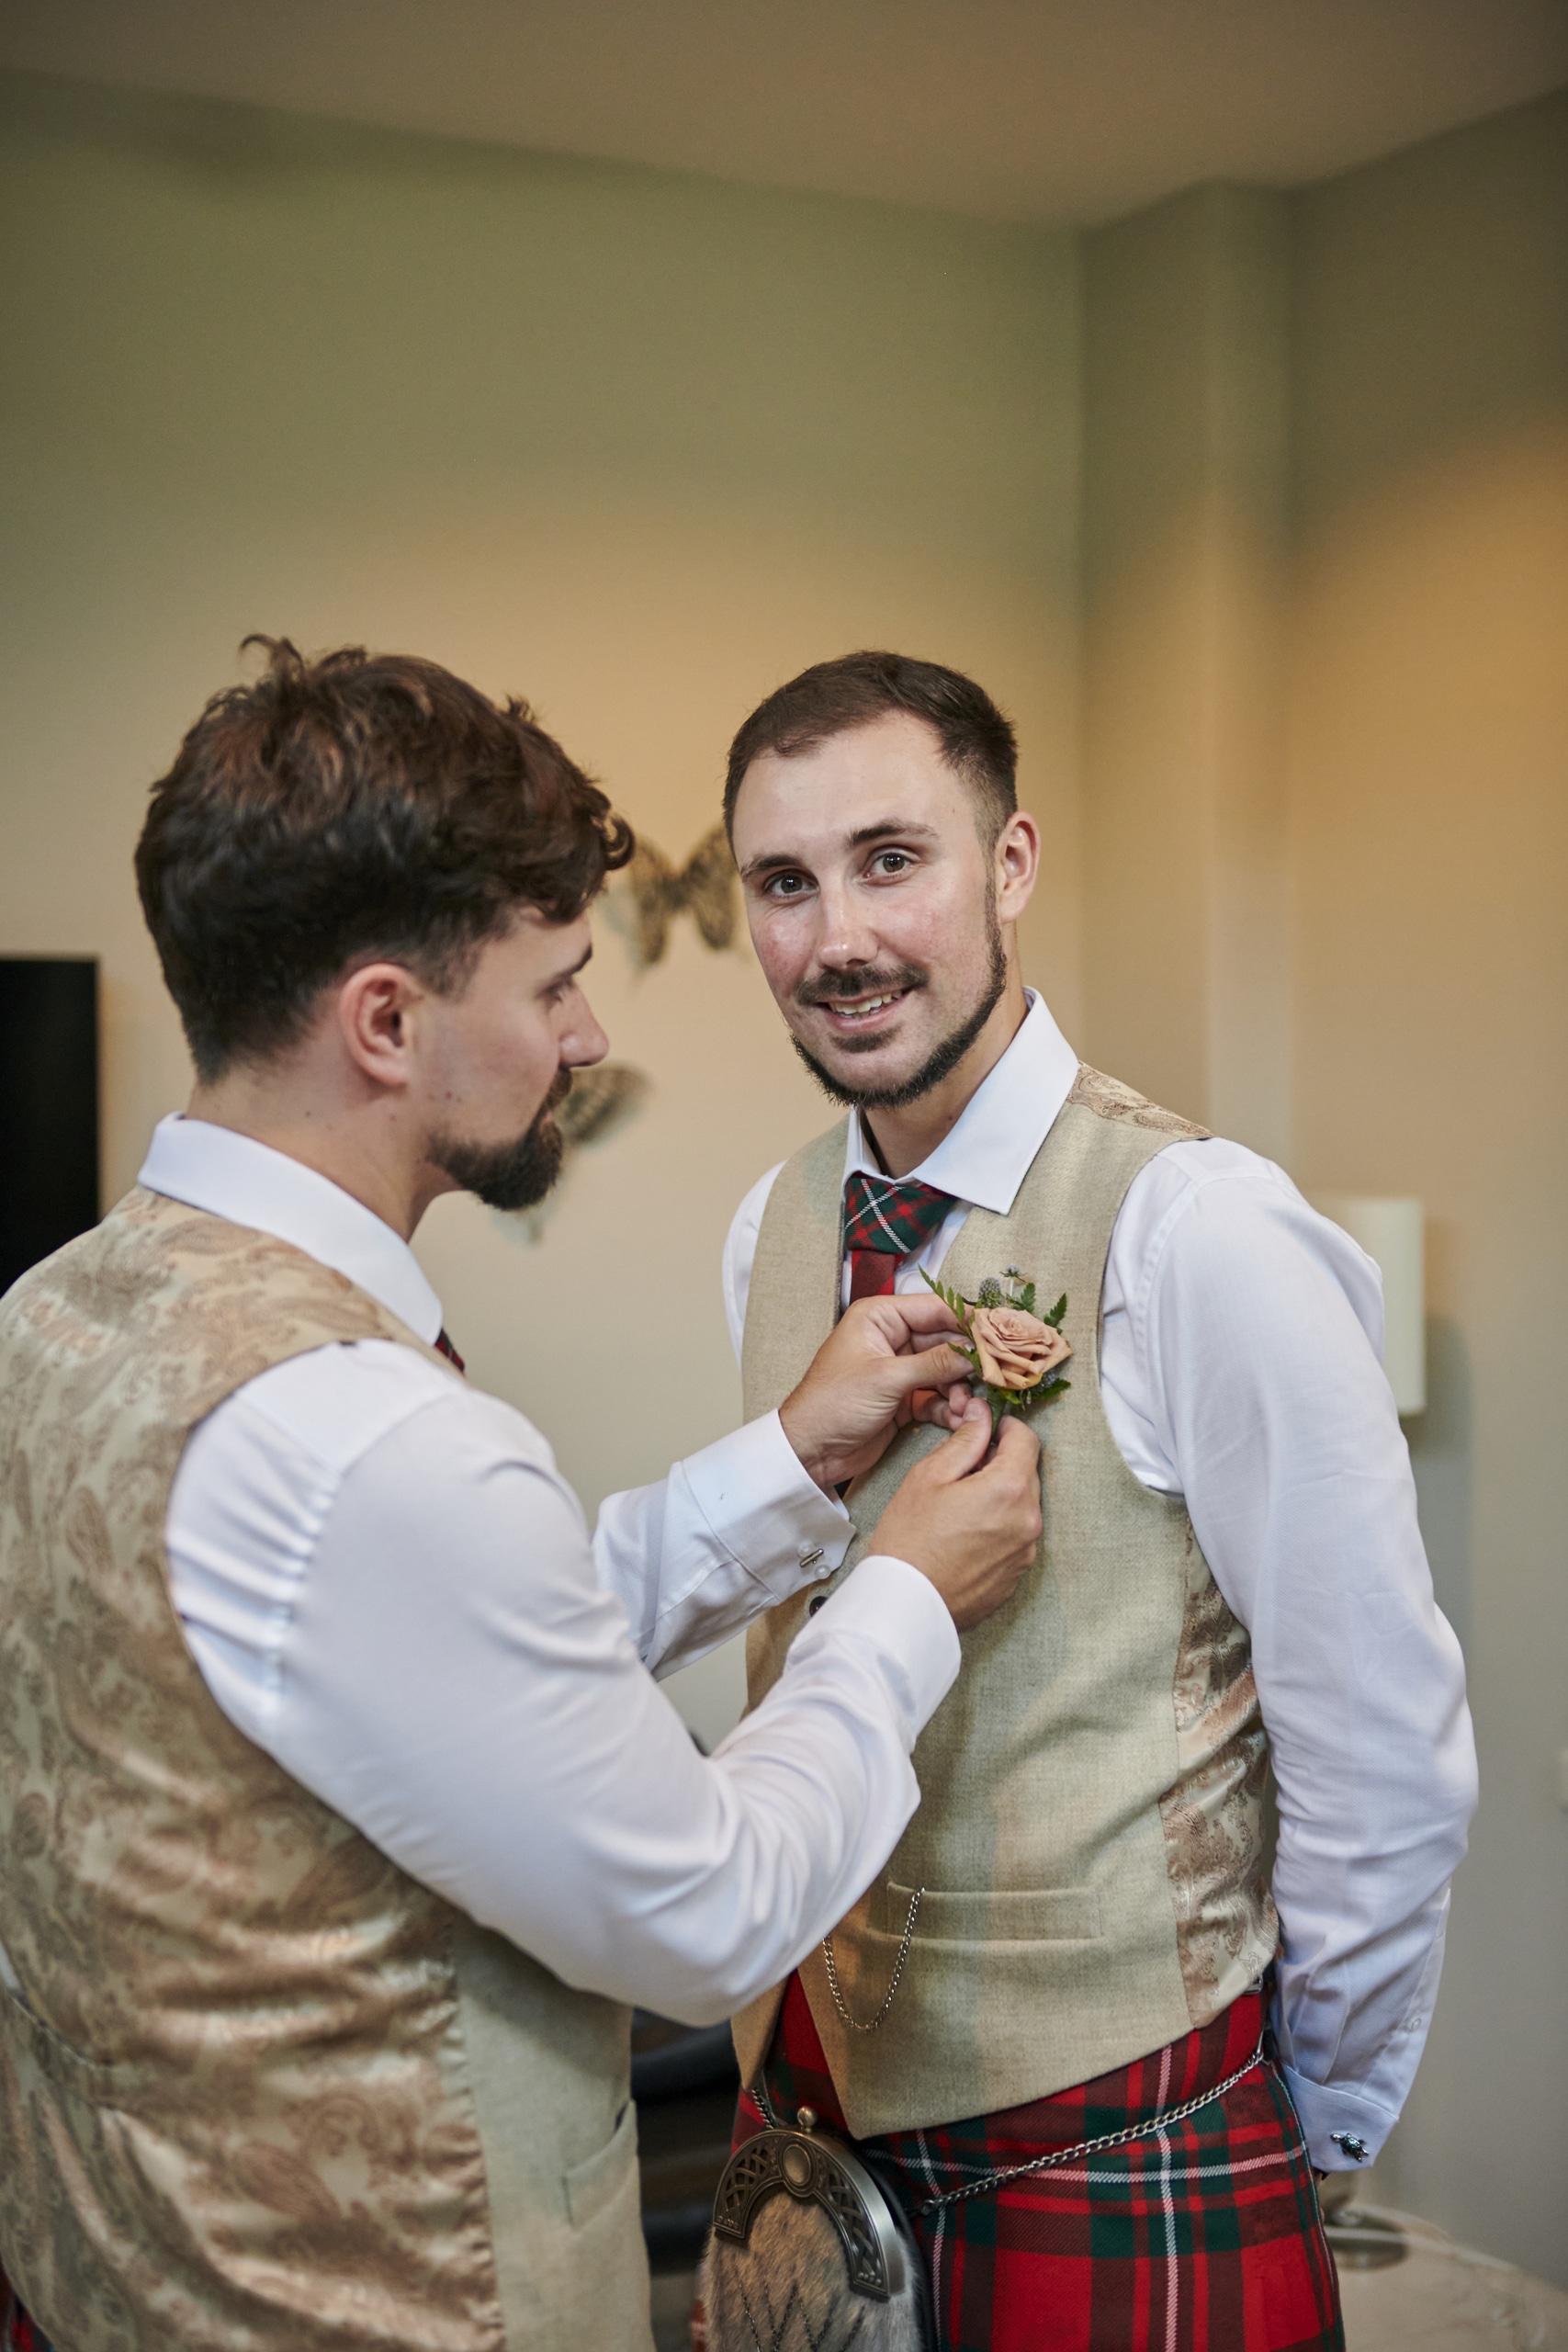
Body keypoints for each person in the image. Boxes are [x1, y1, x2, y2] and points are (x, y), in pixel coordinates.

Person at [0, 640, 1046, 2352]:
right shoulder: (370, 1439)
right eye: (554, 982)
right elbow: (703, 1916)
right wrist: (906, 1596)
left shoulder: (55, 1315)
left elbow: (444, 1670)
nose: (588, 1033)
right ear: (390, 1023)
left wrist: (790, 1463)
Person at [717, 650, 1478, 2351]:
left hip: (1129, 2139)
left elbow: (1378, 1736)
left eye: (891, 859)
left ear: (1011, 865)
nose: (838, 935)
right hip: (809, 2128)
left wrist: (1307, 2127)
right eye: (785, 882)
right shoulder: (762, 1232)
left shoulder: (1199, 1230)